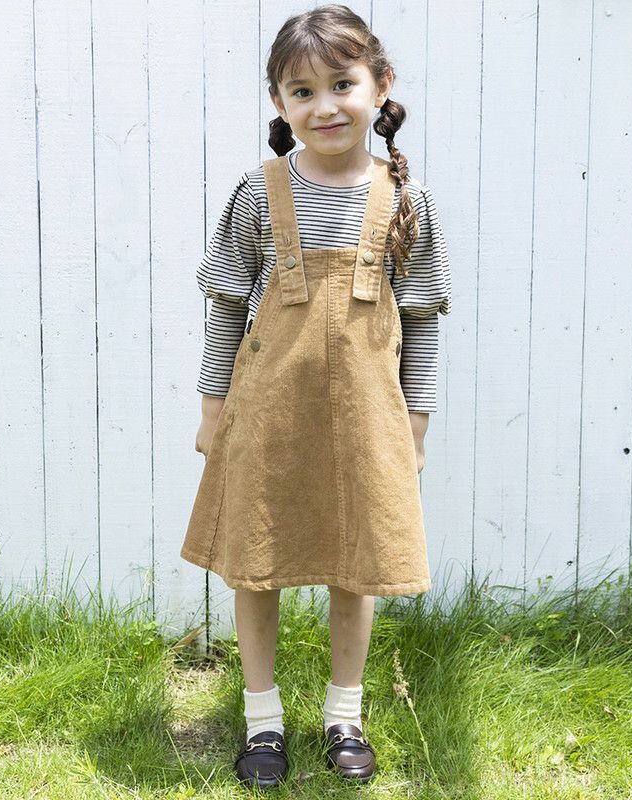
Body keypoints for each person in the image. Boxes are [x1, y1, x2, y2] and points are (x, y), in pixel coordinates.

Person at [179, 4, 452, 790]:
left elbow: (422, 319)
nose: (325, 106)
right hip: (266, 415)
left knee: (356, 562)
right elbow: (227, 305)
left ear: (380, 85)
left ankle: (345, 716)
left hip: (369, 419)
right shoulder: (256, 192)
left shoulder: (406, 197)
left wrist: (415, 424)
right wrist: (213, 411)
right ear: (279, 102)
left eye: (342, 84)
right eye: (302, 91)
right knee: (256, 563)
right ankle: (261, 721)